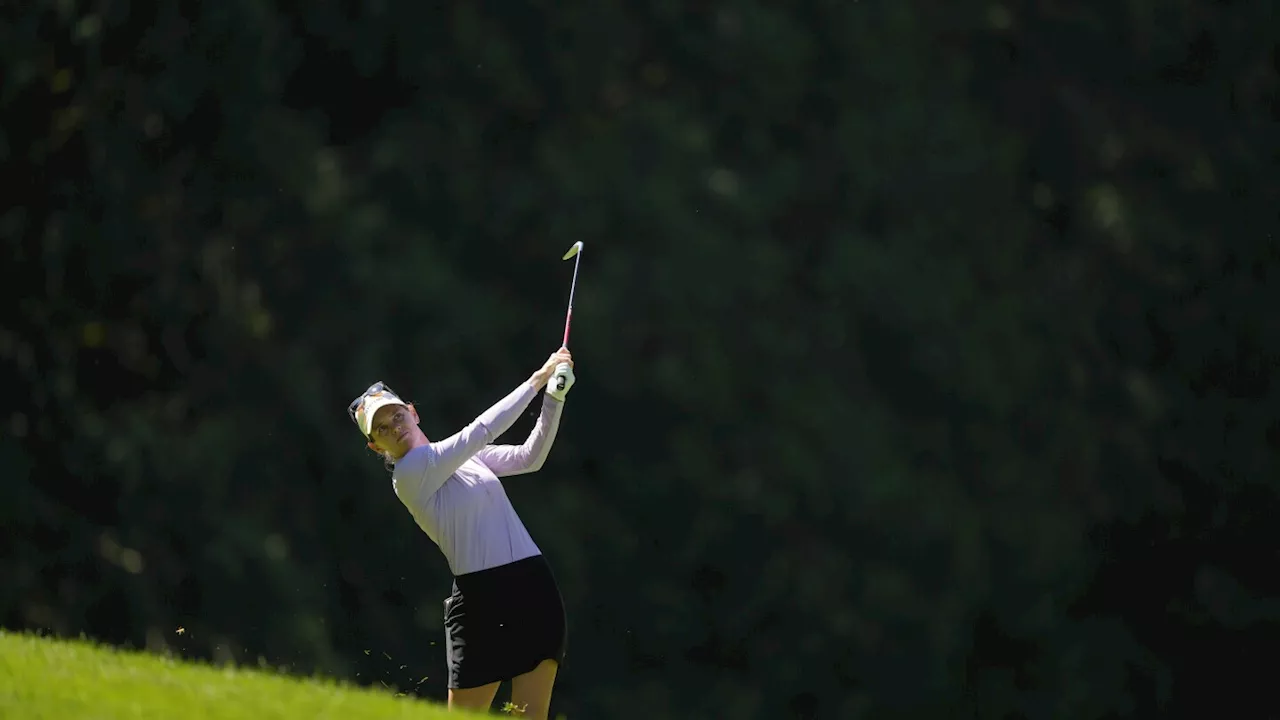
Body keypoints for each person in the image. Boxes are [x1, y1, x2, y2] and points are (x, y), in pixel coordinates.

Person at [347, 348, 577, 718]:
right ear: (376, 446)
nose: (395, 427)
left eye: (397, 415)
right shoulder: (408, 475)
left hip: (534, 586)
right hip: (482, 599)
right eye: (382, 429)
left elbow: (529, 458)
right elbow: (481, 431)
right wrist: (539, 378)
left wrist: (555, 396)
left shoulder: (460, 458)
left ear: (412, 412)